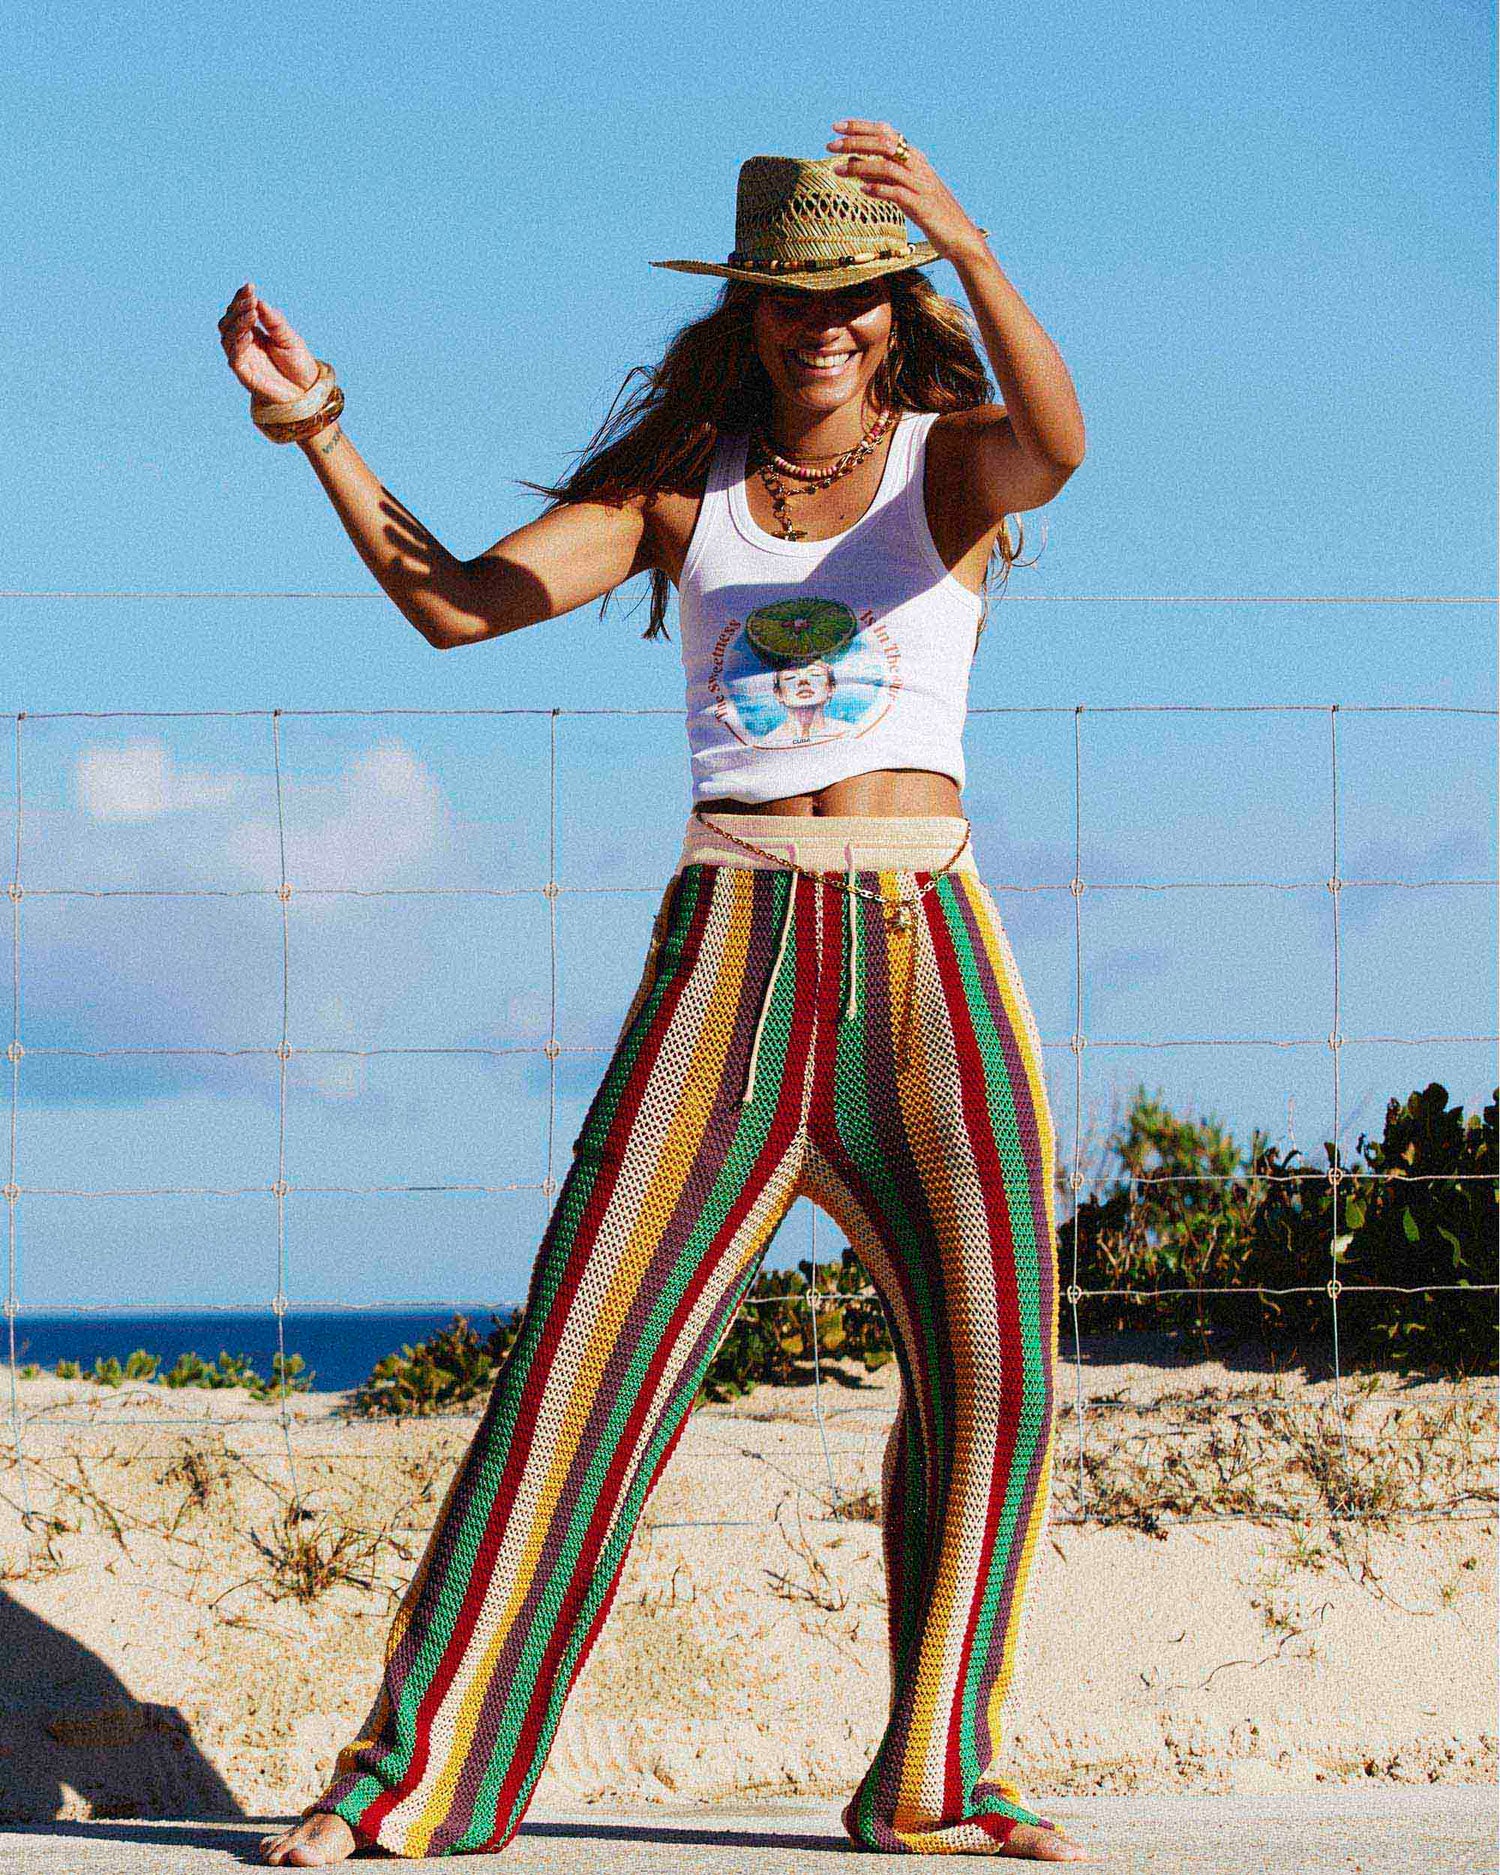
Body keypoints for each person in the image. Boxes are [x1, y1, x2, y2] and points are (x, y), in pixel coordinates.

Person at [229, 123, 1090, 1865]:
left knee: (999, 1364)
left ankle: (935, 1776)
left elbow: (1064, 444)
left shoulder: (952, 466)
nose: (826, 324)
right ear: (754, 317)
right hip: (736, 948)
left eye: (857, 292)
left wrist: (975, 243)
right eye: (795, 298)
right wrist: (322, 437)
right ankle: (412, 1782)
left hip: (930, 951)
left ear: (891, 302)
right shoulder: (685, 490)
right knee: (583, 1362)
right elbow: (460, 606)